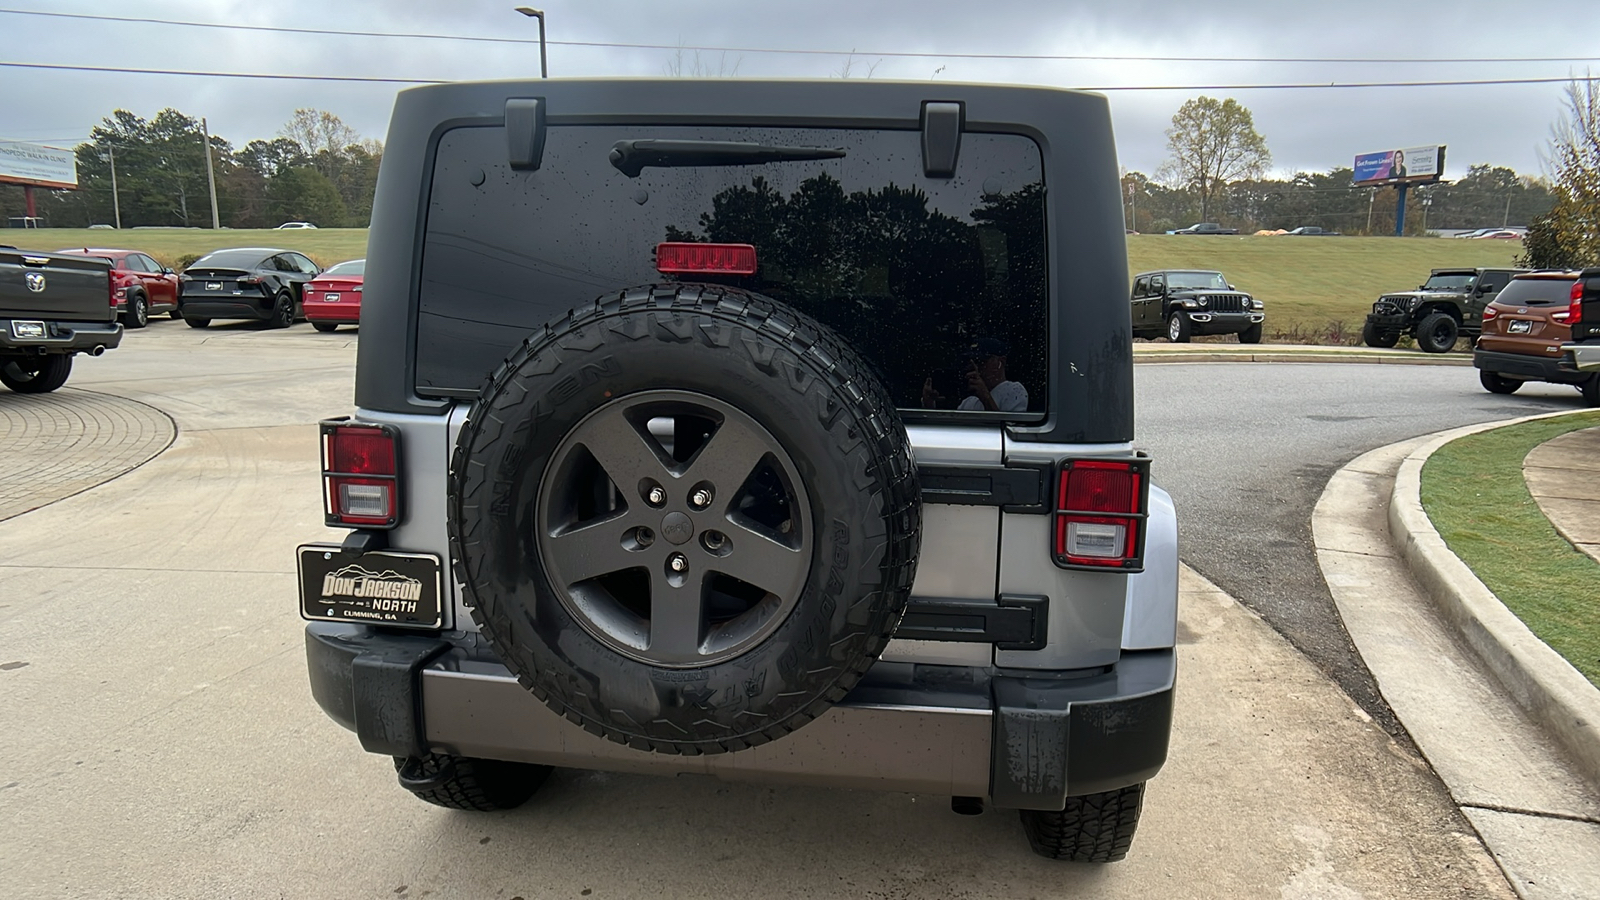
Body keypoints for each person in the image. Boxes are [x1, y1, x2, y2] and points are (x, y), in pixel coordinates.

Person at [920, 337, 1029, 412]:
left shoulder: (1014, 390)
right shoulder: (968, 402)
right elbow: (953, 433)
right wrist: (929, 404)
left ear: (1001, 362)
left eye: (982, 361)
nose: (976, 367)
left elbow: (1008, 431)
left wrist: (985, 397)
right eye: (972, 362)